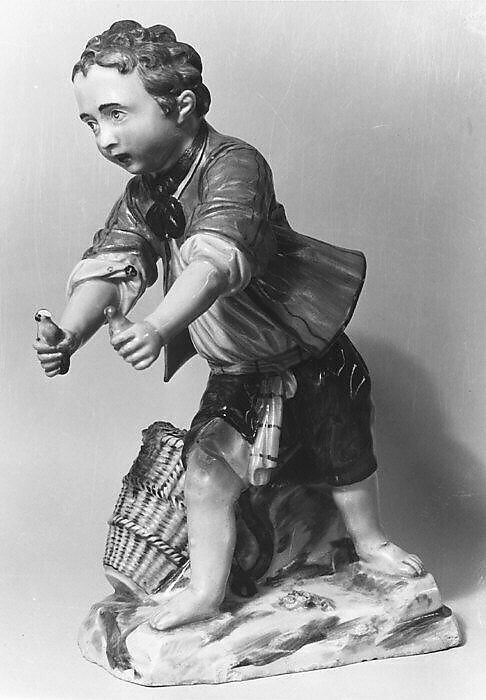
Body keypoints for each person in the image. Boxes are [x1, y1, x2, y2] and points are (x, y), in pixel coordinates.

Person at [34, 20, 424, 631]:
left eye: (116, 114)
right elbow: (112, 267)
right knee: (206, 471)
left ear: (183, 106)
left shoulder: (234, 165)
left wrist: (160, 326)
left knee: (343, 451)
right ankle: (206, 592)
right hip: (240, 364)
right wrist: (69, 331)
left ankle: (371, 543)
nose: (104, 138)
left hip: (308, 349)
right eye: (91, 123)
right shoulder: (144, 193)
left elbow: (217, 261)